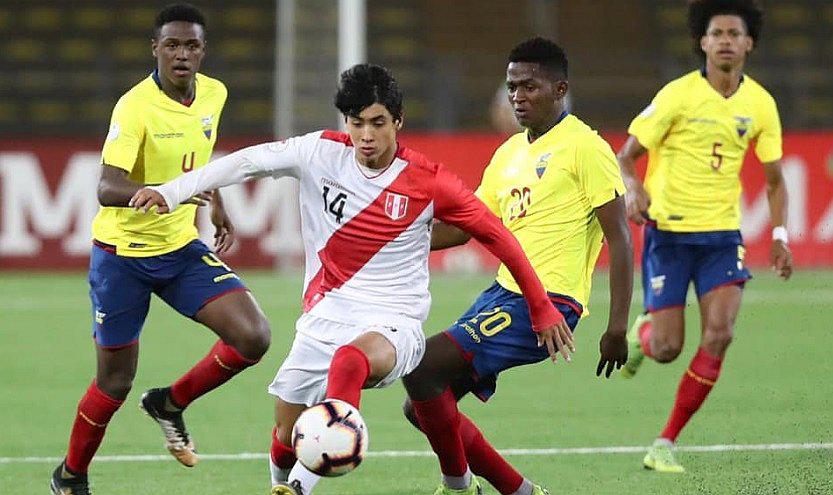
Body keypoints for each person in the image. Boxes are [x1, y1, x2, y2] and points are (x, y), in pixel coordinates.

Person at [129, 63, 573, 495]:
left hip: (394, 321)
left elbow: (498, 236)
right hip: (324, 315)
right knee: (286, 436)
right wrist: (172, 192)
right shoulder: (318, 153)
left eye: (378, 123)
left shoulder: (429, 181)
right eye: (357, 123)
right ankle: (285, 484)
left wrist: (540, 305)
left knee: (348, 362)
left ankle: (315, 471)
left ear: (397, 121)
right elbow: (245, 163)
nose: (366, 135)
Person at [50, 4, 272, 494]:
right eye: (171, 45)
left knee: (253, 336)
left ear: (203, 50)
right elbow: (106, 186)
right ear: (155, 49)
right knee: (114, 383)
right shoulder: (134, 108)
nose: (181, 54)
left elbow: (203, 153)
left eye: (191, 45)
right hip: (122, 257)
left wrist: (216, 202)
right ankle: (70, 477)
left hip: (179, 248)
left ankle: (170, 402)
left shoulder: (214, 93)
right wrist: (163, 192)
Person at [400, 37, 633, 495]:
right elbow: (467, 227)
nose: (517, 97)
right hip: (502, 294)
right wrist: (395, 239)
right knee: (423, 406)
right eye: (511, 87)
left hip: (549, 303)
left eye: (529, 86)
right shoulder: (508, 154)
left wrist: (617, 327)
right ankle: (521, 491)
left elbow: (619, 237)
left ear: (560, 88)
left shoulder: (585, 147)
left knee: (420, 368)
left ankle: (459, 487)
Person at [617, 0, 793, 473]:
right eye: (717, 33)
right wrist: (634, 189)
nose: (726, 41)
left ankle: (665, 442)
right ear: (703, 42)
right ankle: (646, 334)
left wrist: (779, 234)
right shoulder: (676, 96)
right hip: (670, 236)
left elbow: (775, 181)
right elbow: (625, 156)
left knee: (720, 333)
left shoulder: (761, 104)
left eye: (735, 34)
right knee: (668, 349)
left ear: (749, 43)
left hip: (721, 238)